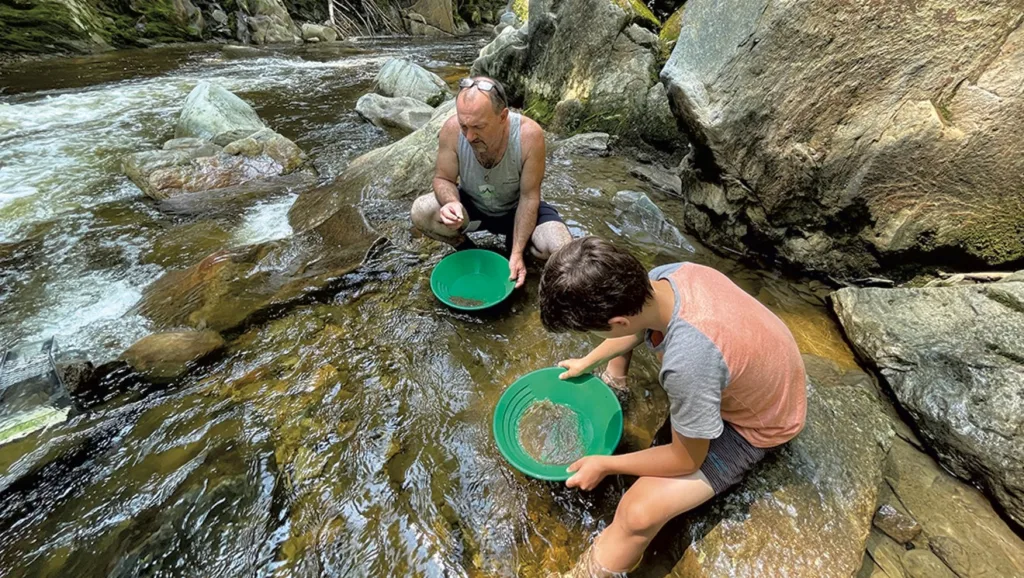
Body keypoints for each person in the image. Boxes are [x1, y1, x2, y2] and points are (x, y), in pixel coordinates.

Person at [538, 237, 807, 576]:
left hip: (761, 424)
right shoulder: (671, 276)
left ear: (618, 322)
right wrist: (588, 362)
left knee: (637, 513)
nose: (594, 338)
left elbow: (685, 458)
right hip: (764, 376)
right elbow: (638, 328)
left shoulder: (688, 362)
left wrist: (605, 464)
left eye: (593, 332)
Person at [410, 76, 572, 288]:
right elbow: (443, 179)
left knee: (564, 251)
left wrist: (515, 253)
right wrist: (451, 202)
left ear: (503, 116)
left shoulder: (529, 135)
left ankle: (521, 252)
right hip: (474, 208)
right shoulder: (451, 130)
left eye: (478, 127)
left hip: (518, 210)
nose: (469, 136)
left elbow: (529, 197)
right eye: (463, 125)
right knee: (421, 211)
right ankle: (467, 250)